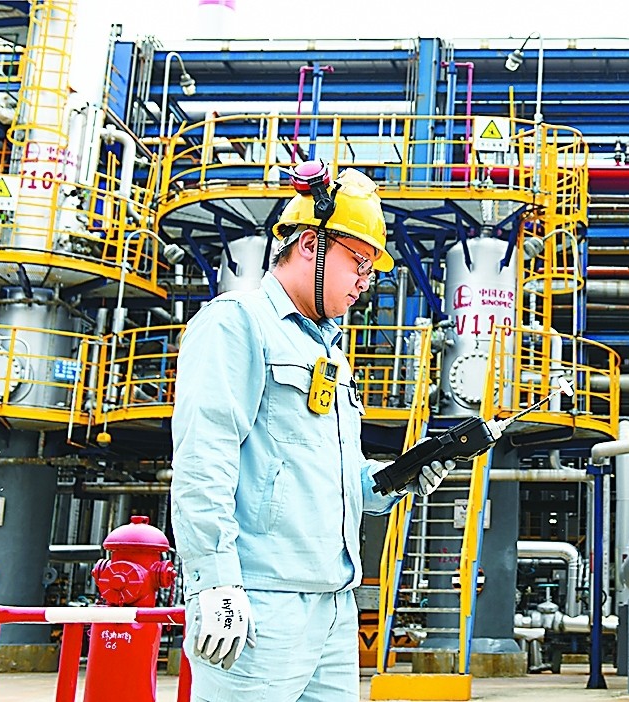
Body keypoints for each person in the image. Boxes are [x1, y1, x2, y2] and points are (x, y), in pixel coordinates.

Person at [171, 161, 453, 701]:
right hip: (259, 601)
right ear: (309, 244)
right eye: (358, 262)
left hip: (334, 605)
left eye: (371, 269)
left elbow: (328, 477)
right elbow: (204, 460)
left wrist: (397, 477)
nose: (365, 281)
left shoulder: (329, 351)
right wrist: (216, 581)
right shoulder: (238, 322)